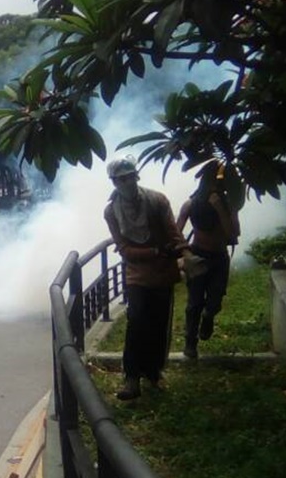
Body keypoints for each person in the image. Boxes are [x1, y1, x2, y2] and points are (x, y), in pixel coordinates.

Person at [102, 157, 188, 400]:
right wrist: (155, 251)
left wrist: (183, 251)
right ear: (114, 182)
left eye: (130, 176)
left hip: (162, 273)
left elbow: (173, 232)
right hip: (136, 274)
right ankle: (132, 378)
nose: (127, 182)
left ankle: (154, 372)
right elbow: (124, 248)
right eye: (121, 179)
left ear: (136, 176)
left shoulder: (157, 200)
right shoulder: (111, 211)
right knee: (136, 322)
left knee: (159, 324)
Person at [176, 162, 241, 360]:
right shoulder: (190, 204)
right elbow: (176, 232)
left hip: (219, 257)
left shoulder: (228, 204)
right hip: (197, 256)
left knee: (215, 300)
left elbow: (234, 233)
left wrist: (220, 208)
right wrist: (184, 255)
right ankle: (190, 342)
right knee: (194, 303)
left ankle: (209, 317)